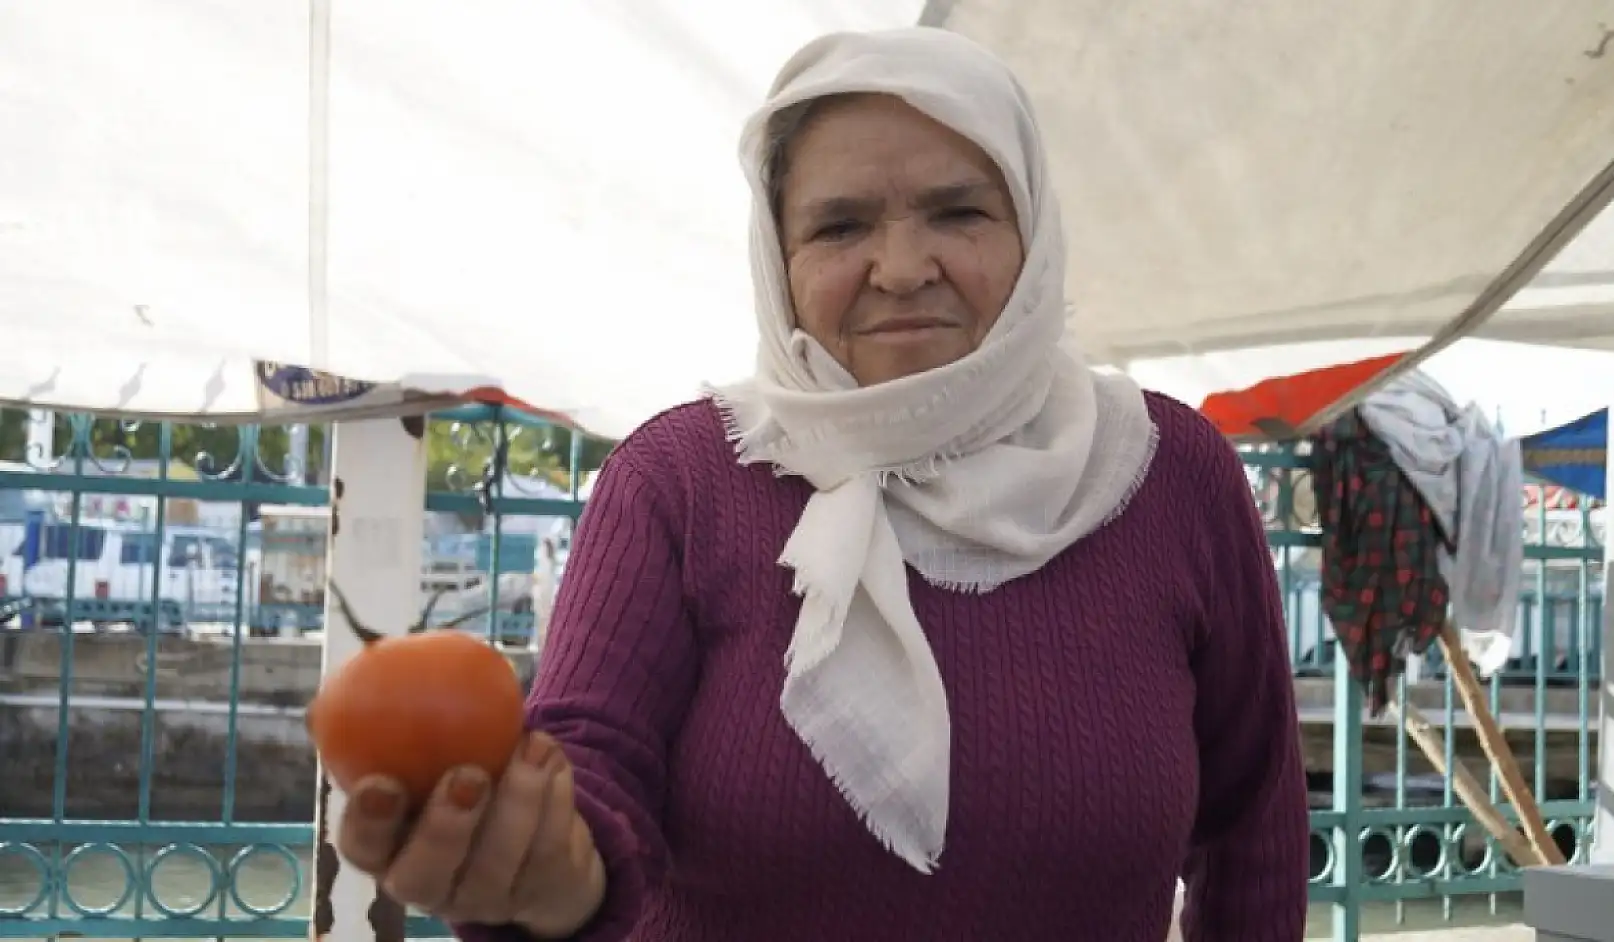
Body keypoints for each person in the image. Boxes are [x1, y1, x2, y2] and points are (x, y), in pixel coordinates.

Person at [332, 26, 1309, 941]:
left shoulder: (1168, 473)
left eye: (957, 210)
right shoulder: (678, 482)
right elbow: (591, 756)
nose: (899, 268)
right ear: (779, 259)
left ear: (1030, 227)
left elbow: (1249, 825)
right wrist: (549, 871)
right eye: (839, 227)